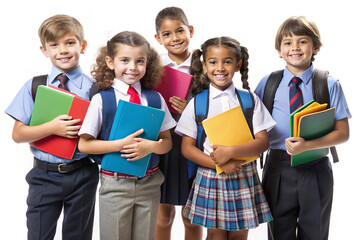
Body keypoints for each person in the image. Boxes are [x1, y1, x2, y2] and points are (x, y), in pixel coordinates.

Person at [254, 16, 351, 240]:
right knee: (279, 232)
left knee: (315, 232)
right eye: (287, 43)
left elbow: (343, 132)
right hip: (278, 168)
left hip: (315, 167)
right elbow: (251, 124)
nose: (295, 48)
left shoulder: (328, 83)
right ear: (278, 49)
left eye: (302, 41)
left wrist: (308, 145)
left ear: (316, 47)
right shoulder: (268, 83)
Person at [5, 14, 99, 240]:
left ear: (82, 46)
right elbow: (18, 134)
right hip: (43, 175)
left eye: (69, 43)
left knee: (78, 236)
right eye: (54, 45)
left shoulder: (94, 89)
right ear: (44, 50)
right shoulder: (36, 86)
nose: (62, 50)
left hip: (83, 174)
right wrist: (52, 128)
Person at [78, 31, 176, 240]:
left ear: (147, 63)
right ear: (110, 62)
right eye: (124, 60)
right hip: (115, 185)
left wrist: (151, 147)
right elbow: (84, 145)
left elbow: (167, 142)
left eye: (139, 61)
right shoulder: (101, 100)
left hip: (149, 183)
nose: (132, 67)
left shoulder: (155, 99)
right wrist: (120, 144)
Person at [175, 36, 275, 240]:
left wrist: (231, 153)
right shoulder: (197, 103)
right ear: (204, 65)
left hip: (243, 173)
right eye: (213, 62)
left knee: (240, 234)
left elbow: (263, 142)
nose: (220, 68)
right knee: (215, 235)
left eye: (227, 62)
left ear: (238, 65)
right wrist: (219, 165)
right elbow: (187, 148)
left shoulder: (249, 100)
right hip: (211, 175)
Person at [154, 6, 203, 240]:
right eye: (167, 34)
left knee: (191, 216)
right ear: (158, 38)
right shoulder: (153, 69)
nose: (175, 38)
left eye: (180, 31)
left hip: (192, 147)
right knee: (162, 215)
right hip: (163, 145)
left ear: (190, 30)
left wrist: (189, 112)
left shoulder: (205, 66)